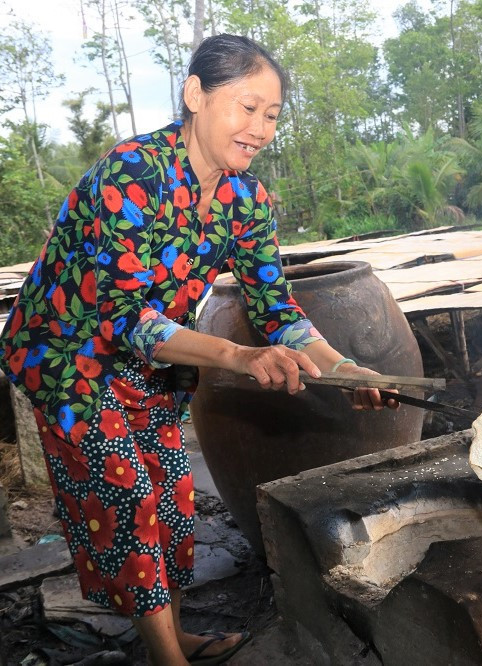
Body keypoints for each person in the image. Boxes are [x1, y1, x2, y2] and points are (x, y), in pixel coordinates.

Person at [0, 34, 397, 666]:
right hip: (66, 353)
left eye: (272, 115)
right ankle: (167, 658)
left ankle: (174, 633)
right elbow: (123, 315)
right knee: (126, 491)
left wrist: (345, 369)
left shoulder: (246, 199)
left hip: (153, 358)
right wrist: (237, 357)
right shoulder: (135, 173)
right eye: (247, 107)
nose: (260, 128)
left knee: (169, 490)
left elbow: (275, 308)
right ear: (195, 95)